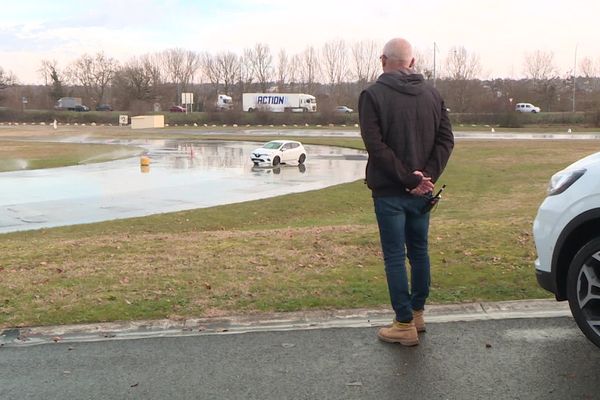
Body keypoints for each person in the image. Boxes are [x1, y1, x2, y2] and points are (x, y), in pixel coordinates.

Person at [359, 38, 454, 346]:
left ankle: (404, 323)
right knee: (419, 252)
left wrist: (412, 179)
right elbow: (446, 141)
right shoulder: (433, 94)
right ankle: (417, 314)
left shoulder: (372, 96)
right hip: (420, 192)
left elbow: (375, 146)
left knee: (396, 257)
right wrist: (425, 177)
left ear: (382, 59)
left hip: (391, 192)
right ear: (412, 62)